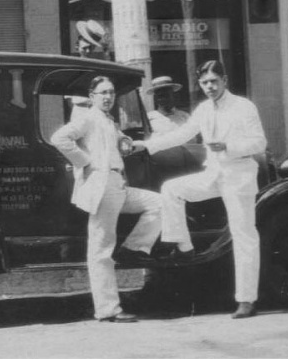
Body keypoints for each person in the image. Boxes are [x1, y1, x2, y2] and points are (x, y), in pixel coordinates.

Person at [133, 60, 268, 319]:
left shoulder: (243, 106)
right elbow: (182, 134)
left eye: (214, 81)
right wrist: (145, 145)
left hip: (238, 175)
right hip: (214, 173)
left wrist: (228, 146)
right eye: (205, 83)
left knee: (243, 235)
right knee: (171, 189)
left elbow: (259, 142)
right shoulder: (204, 109)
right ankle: (185, 247)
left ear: (225, 80)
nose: (209, 87)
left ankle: (246, 300)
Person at [51, 76, 168, 323]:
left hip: (118, 185)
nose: (108, 97)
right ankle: (108, 309)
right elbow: (59, 138)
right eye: (102, 93)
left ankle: (133, 249)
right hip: (103, 186)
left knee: (160, 202)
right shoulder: (87, 117)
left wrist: (125, 142)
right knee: (101, 248)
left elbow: (116, 143)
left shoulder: (106, 120)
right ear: (92, 96)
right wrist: (85, 162)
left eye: (111, 93)